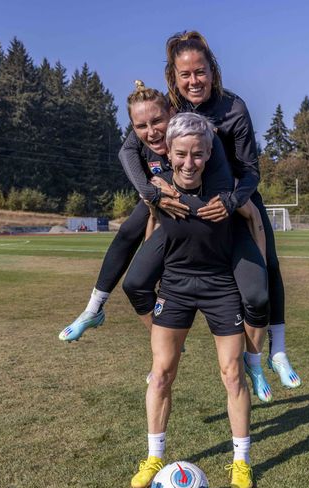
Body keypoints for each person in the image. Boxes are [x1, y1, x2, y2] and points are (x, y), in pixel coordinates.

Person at [61, 81, 275, 403]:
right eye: (141, 126)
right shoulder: (145, 142)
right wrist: (152, 193)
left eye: (157, 122)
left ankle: (262, 358)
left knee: (259, 292)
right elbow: (126, 151)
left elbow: (234, 196)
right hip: (169, 218)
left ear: (172, 115)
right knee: (129, 255)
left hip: (218, 228)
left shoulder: (199, 140)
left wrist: (227, 201)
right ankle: (97, 310)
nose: (151, 132)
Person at [163, 31, 301, 390]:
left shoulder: (233, 108)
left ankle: (276, 352)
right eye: (185, 74)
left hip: (235, 205)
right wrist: (155, 189)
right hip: (185, 208)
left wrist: (232, 201)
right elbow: (141, 146)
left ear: (213, 70)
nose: (194, 80)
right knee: (139, 271)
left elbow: (251, 171)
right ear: (173, 76)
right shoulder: (169, 109)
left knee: (266, 271)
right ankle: (155, 359)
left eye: (200, 71)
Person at [130, 112, 254, 488]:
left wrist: (261, 277)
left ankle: (241, 462)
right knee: (162, 373)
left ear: (207, 153)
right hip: (176, 287)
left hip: (220, 286)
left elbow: (254, 221)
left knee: (233, 374)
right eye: (181, 154)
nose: (188, 163)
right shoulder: (158, 188)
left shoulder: (226, 189)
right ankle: (154, 457)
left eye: (197, 155)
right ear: (168, 152)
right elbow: (153, 227)